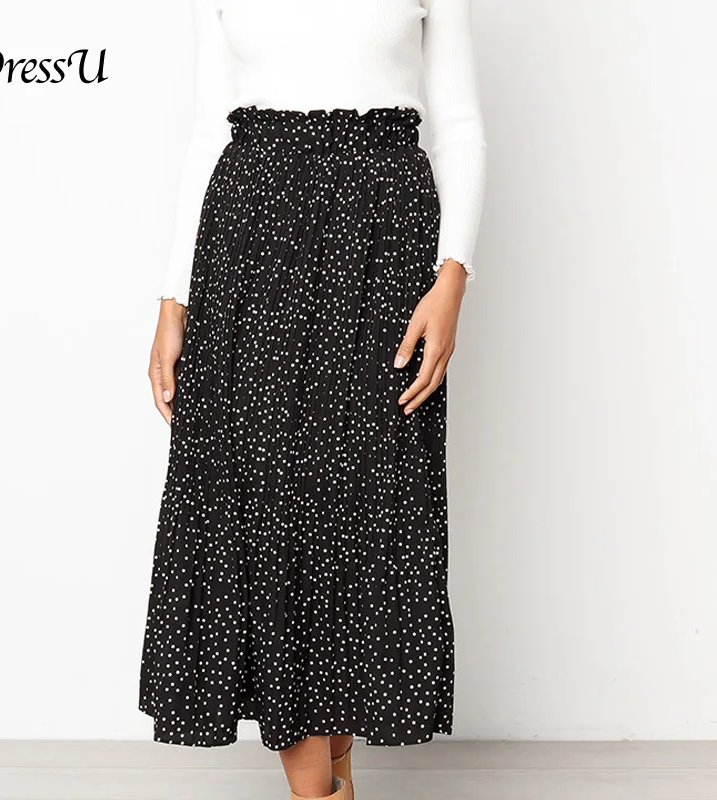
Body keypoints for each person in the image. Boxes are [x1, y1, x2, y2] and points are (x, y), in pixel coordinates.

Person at [140, 1, 486, 798]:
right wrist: (172, 299)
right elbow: (209, 131)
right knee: (263, 504)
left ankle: (333, 778)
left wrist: (453, 277)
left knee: (362, 500)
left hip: (385, 237)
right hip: (249, 237)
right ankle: (319, 790)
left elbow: (460, 124)